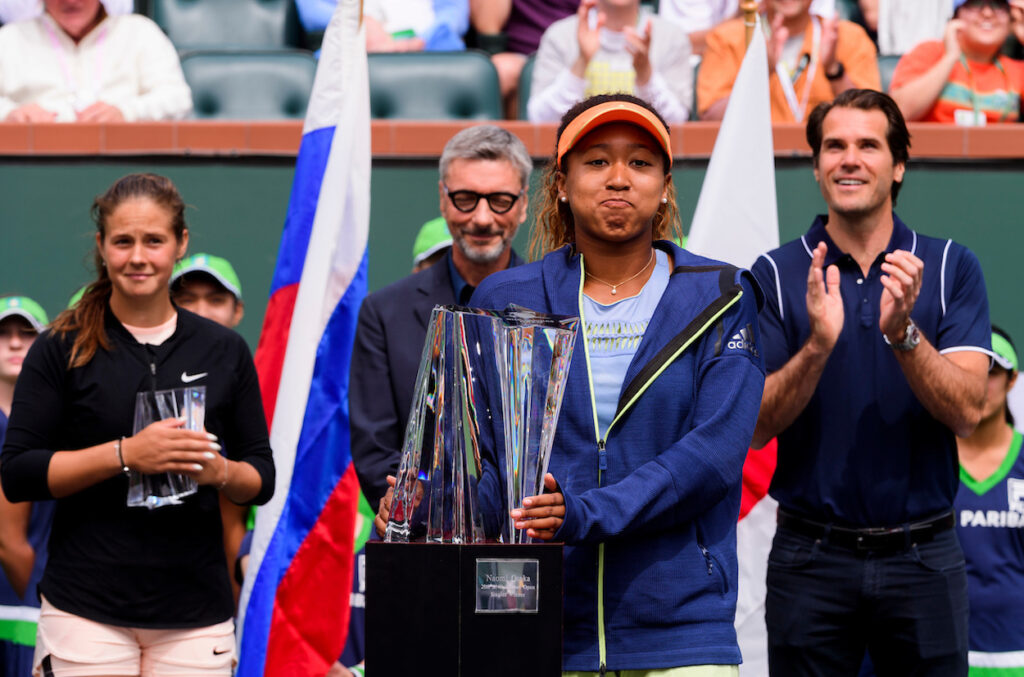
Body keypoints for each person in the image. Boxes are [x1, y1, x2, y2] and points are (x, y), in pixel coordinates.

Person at [379, 94, 766, 673]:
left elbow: (711, 459)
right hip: (538, 624)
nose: (618, 178)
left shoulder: (721, 295)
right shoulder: (503, 300)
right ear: (561, 183)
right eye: (595, 162)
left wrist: (581, 514)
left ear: (664, 186)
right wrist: (428, 504)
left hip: (682, 632)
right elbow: (489, 471)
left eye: (639, 163)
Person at [749, 89, 990, 674]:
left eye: (868, 145)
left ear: (899, 164)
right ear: (815, 165)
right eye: (834, 146)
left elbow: (966, 412)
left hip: (923, 557)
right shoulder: (776, 274)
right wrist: (818, 346)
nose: (849, 159)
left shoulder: (950, 265)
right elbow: (754, 426)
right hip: (810, 559)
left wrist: (903, 333)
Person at [0, 173, 274, 676]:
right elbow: (19, 473)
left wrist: (219, 473)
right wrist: (125, 454)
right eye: (123, 241)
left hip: (196, 616)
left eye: (154, 240)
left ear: (180, 244)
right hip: (85, 610)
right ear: (102, 246)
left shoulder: (223, 349)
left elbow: (262, 477)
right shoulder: (60, 345)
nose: (138, 257)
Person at [350, 124, 531, 510]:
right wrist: (422, 509)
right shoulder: (384, 313)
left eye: (500, 199)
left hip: (533, 537)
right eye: (466, 198)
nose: (482, 218)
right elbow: (375, 450)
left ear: (524, 203)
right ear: (443, 198)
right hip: (421, 541)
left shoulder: (554, 306)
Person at [169, 252, 249, 605]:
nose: (201, 310)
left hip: (228, 596)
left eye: (215, 300)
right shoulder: (139, 383)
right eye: (187, 299)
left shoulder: (254, 389)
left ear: (238, 311)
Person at [955, 326, 1024, 675]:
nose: (980, 384)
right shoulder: (926, 462)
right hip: (935, 655)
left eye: (992, 373)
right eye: (969, 371)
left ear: (1012, 380)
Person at [0, 0, 192, 123]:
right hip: (32, 164)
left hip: (124, 166)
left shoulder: (140, 32)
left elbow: (177, 99)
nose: (71, 1)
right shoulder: (9, 38)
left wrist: (126, 113)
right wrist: (11, 114)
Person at [698, 0, 879, 122]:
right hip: (752, 157)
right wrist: (760, 73)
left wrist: (834, 70)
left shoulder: (848, 37)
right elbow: (710, 119)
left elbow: (871, 118)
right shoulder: (727, 38)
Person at [527, 0, 692, 123]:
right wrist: (581, 63)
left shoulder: (672, 36)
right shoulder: (560, 34)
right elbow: (540, 120)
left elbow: (677, 124)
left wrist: (645, 75)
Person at [0, 296, 53, 677]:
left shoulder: (60, 424)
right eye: (2, 334)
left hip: (32, 612)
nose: (15, 343)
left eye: (27, 333)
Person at [890, 0, 1024, 124]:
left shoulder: (1016, 70)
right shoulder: (930, 53)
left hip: (998, 149)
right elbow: (898, 114)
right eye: (976, 4)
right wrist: (950, 57)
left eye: (997, 5)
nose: (987, 13)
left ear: (1010, 20)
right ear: (956, 15)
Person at [469, 0, 580, 114]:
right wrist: (494, 48)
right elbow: (488, 25)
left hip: (579, 47)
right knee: (500, 71)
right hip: (523, 53)